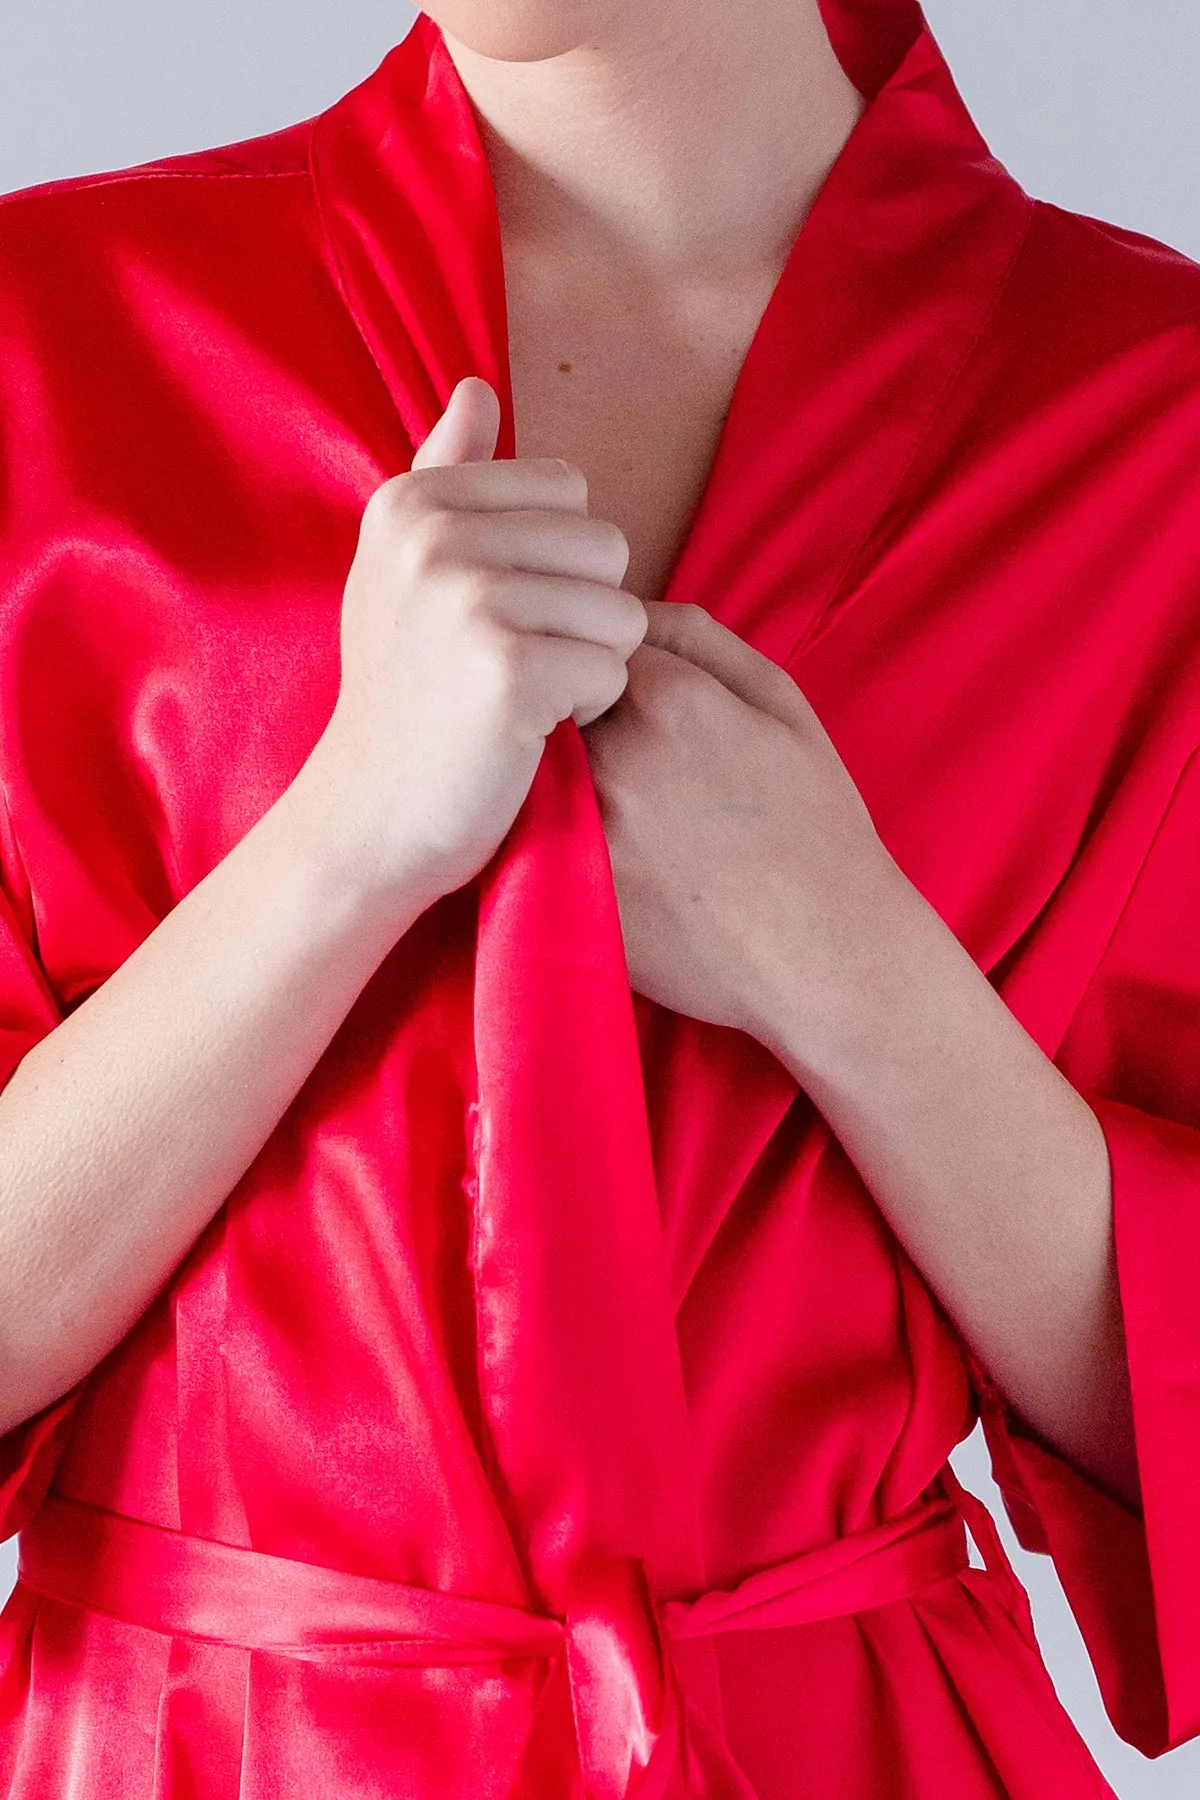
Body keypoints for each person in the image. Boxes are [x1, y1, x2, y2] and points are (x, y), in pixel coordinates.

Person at [0, 0, 1197, 1793]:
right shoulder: (58, 339)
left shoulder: (1148, 423)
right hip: (212, 1752)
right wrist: (345, 843)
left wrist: (852, 969)